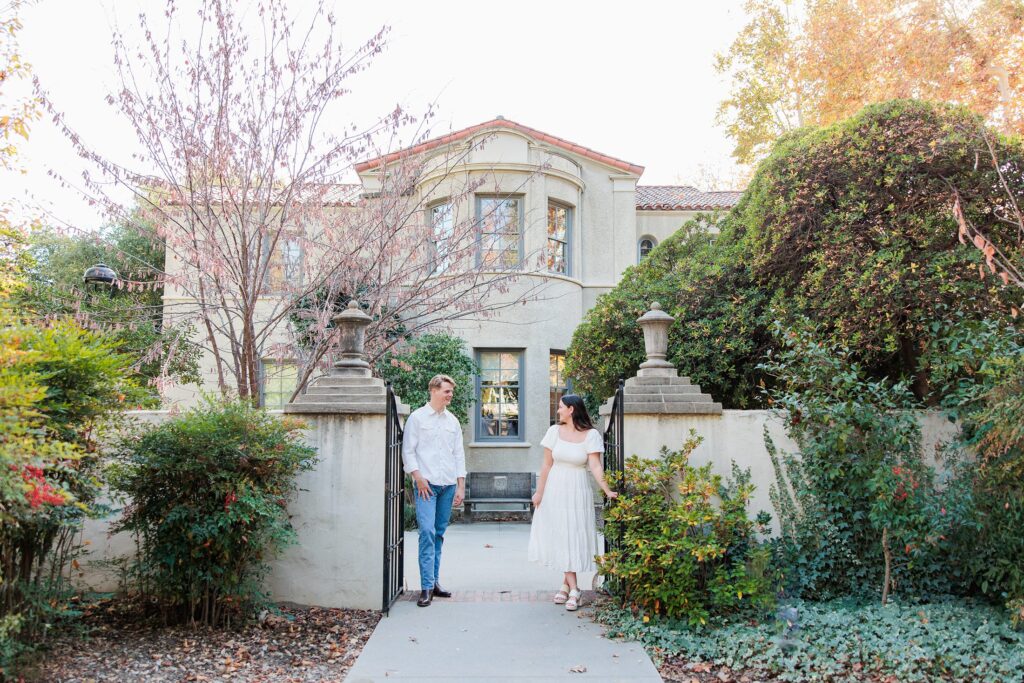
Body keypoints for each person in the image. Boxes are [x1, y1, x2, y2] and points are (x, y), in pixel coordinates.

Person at [528, 394, 617, 611]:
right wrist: (539, 493)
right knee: (561, 534)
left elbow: (595, 466)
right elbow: (546, 465)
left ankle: (566, 586)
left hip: (577, 490)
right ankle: (574, 588)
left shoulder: (591, 435)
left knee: (572, 534)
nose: (557, 411)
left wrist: (607, 489)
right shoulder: (553, 432)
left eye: (560, 407)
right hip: (555, 489)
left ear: (571, 410)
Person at [402, 374, 466, 607]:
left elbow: (458, 454)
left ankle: (434, 582)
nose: (450, 395)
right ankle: (426, 587)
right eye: (446, 391)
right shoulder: (417, 419)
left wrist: (460, 486)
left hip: (448, 485)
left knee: (438, 534)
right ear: (434, 390)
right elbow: (408, 451)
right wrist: (417, 477)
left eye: (451, 391)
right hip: (426, 486)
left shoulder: (452, 421)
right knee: (426, 533)